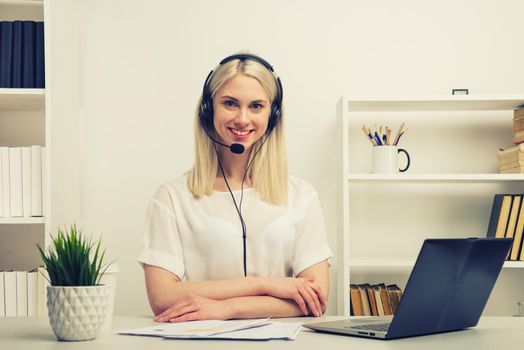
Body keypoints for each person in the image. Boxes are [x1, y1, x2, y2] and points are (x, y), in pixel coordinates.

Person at [138, 53, 332, 323]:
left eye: (256, 106)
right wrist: (267, 285)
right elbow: (162, 297)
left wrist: (228, 309)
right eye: (230, 103)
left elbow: (316, 297)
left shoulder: (302, 196)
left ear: (273, 115)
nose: (242, 119)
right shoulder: (171, 197)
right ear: (209, 110)